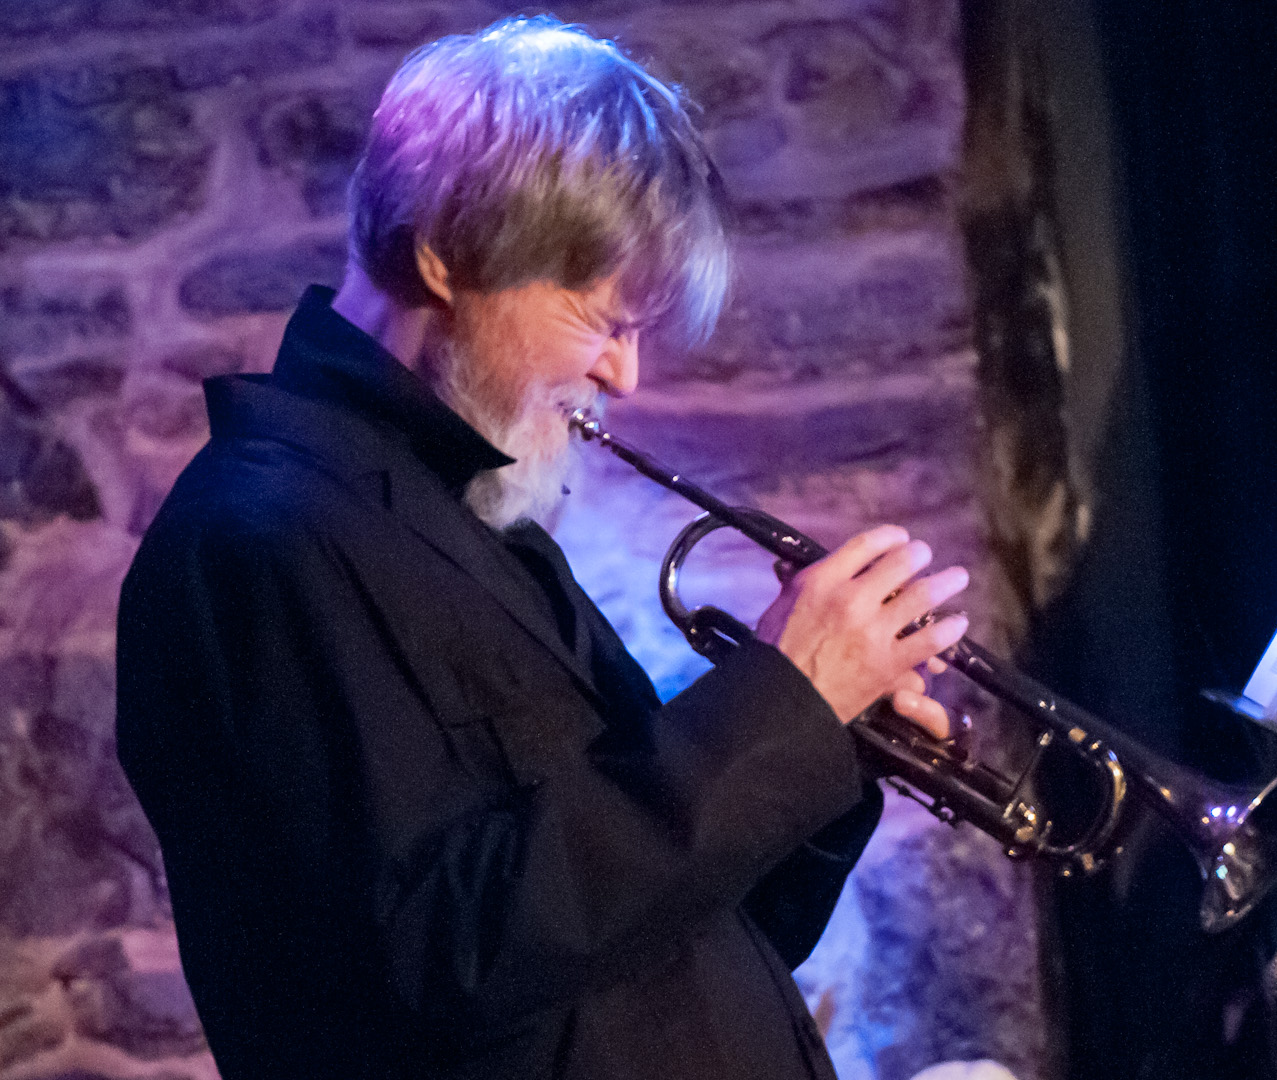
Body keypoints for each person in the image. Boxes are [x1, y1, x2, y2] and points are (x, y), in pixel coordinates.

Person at [116, 17, 969, 1080]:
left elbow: (667, 945)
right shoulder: (262, 538)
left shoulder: (472, 520)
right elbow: (431, 958)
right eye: (602, 318)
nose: (626, 378)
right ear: (444, 253)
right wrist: (772, 704)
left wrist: (826, 747)